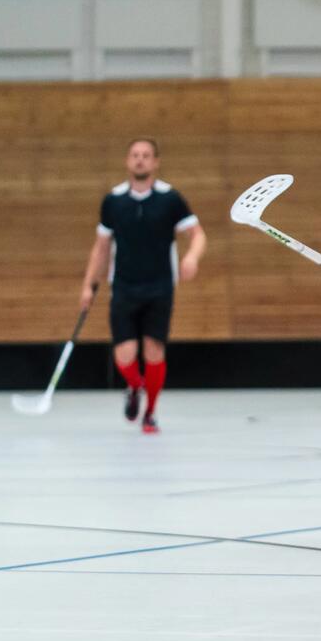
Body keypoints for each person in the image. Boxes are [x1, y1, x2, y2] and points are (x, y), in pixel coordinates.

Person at [79, 137, 204, 435]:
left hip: (160, 286)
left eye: (146, 155)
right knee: (124, 354)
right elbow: (101, 247)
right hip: (123, 286)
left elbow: (197, 234)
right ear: (127, 161)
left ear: (155, 162)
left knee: (153, 352)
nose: (140, 160)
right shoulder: (114, 201)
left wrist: (192, 257)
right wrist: (88, 285)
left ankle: (150, 412)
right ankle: (135, 387)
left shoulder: (170, 199)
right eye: (135, 155)